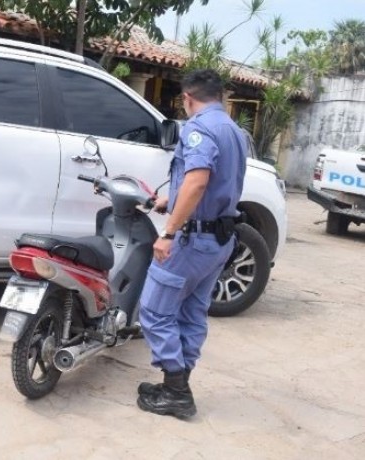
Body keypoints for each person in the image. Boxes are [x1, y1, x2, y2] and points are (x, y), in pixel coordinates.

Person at [135, 69, 248, 419]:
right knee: (191, 312)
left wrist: (168, 232)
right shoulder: (234, 130)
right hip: (220, 239)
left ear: (187, 98)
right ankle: (177, 383)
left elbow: (198, 181)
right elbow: (213, 182)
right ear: (220, 96)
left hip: (192, 239)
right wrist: (173, 198)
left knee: (154, 310)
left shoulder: (198, 128)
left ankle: (176, 391)